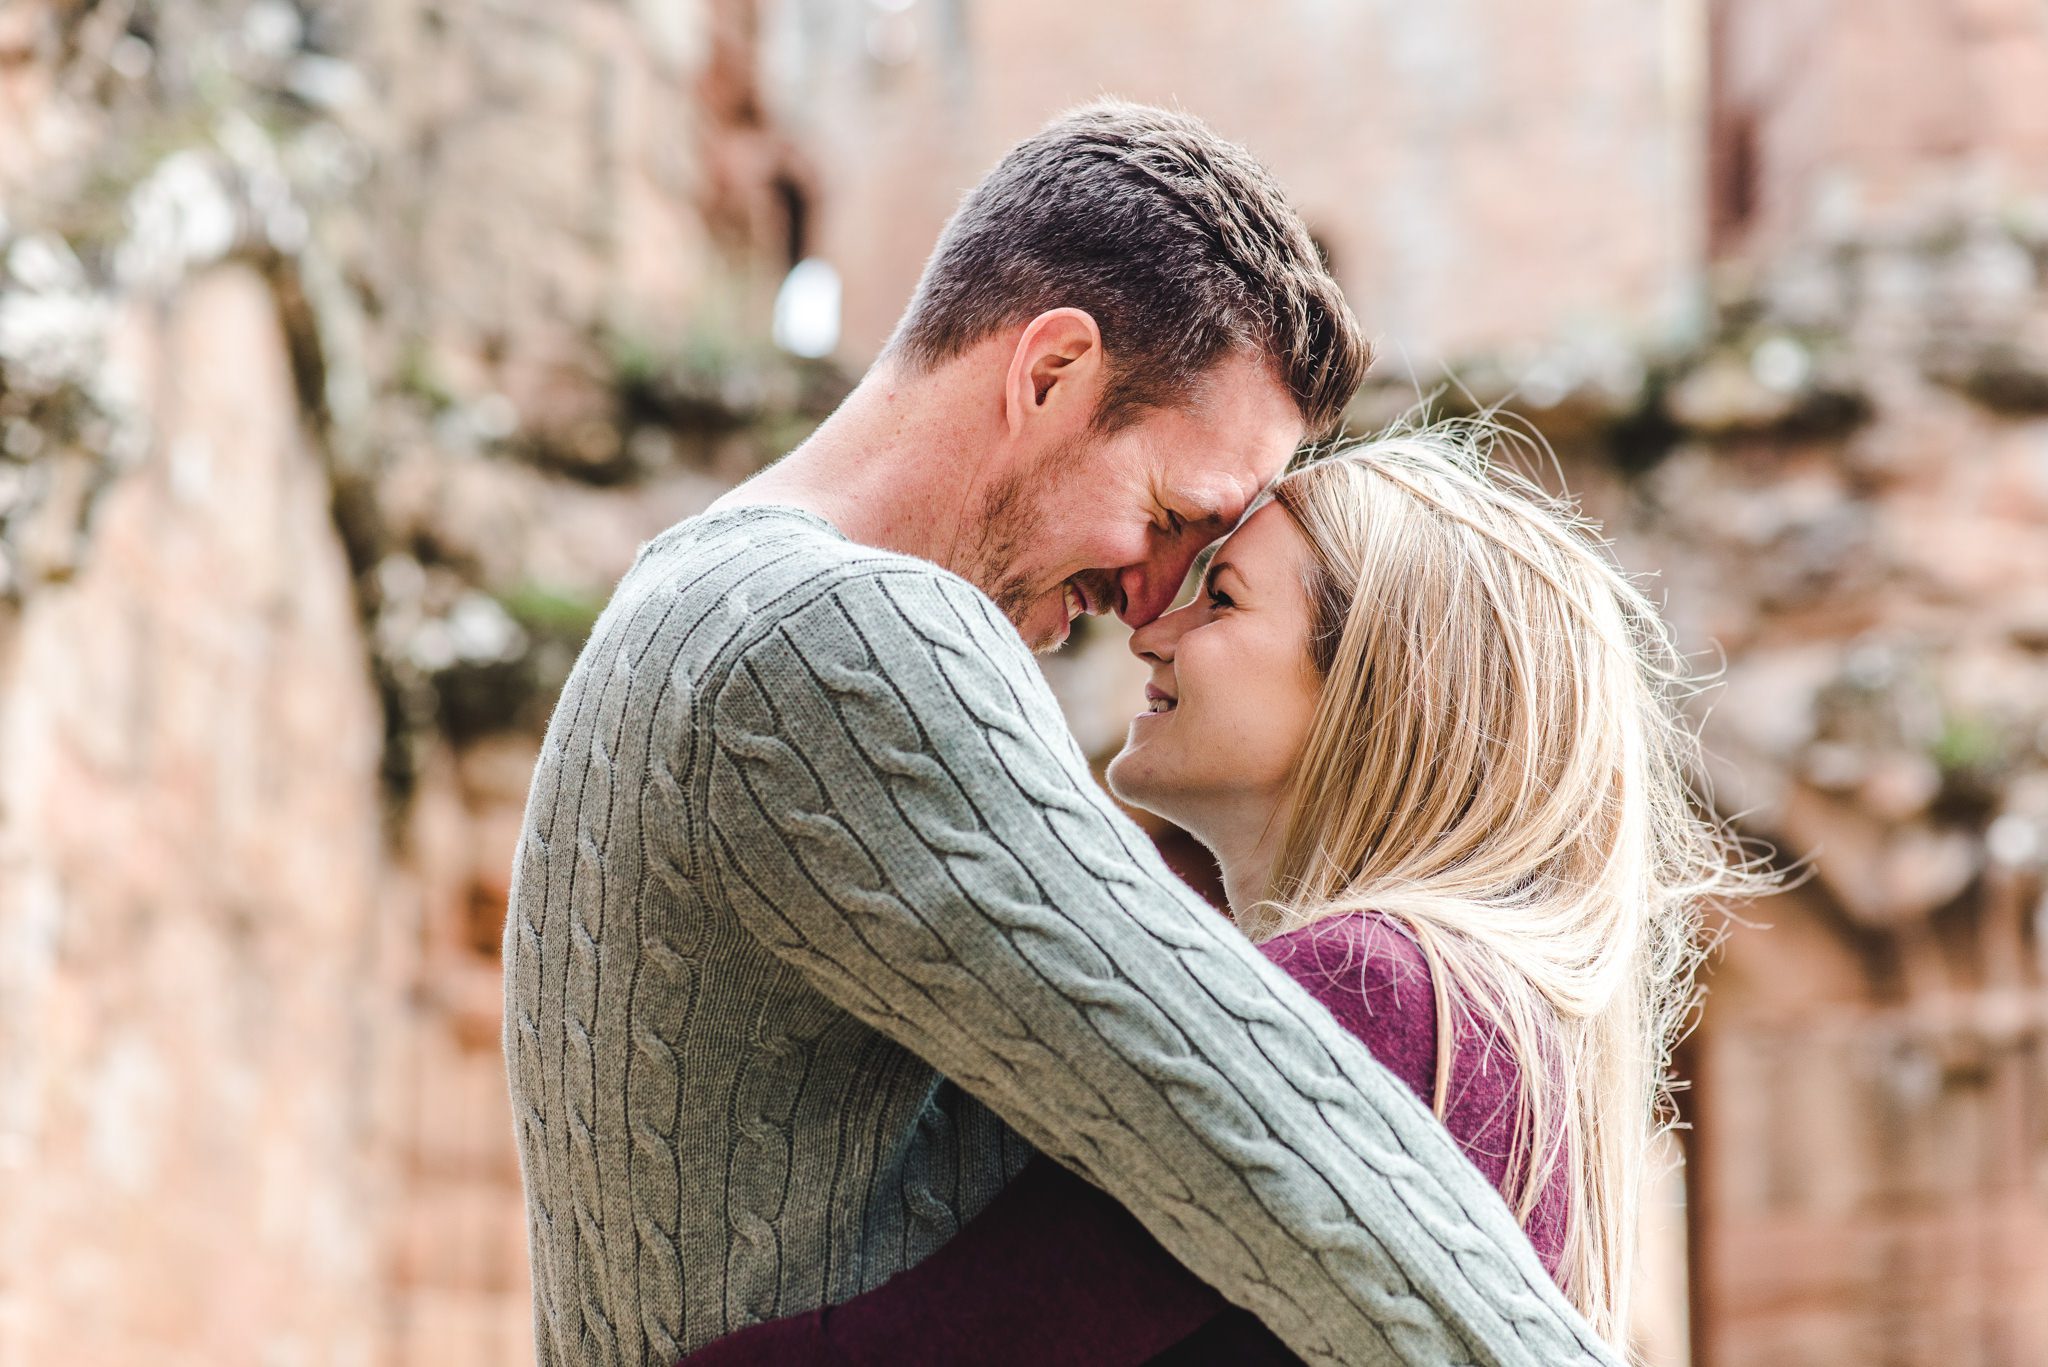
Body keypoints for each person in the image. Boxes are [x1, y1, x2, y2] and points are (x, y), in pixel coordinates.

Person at [503, 100, 1618, 1367]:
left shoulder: (691, 594)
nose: (1146, 597)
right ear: (1049, 373)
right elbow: (1247, 1113)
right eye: (1165, 514)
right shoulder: (848, 632)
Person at [681, 425, 1769, 1365]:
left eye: (1223, 597)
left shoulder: (1372, 990)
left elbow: (935, 1347)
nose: (1149, 628)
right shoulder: (1471, 1009)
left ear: (1378, 682)